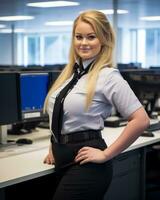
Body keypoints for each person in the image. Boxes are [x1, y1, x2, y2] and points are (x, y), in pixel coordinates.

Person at [43, 10, 150, 200]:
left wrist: (106, 154)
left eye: (91, 37)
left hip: (87, 164)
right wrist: (53, 145)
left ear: (103, 39)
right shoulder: (69, 74)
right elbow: (59, 114)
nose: (83, 43)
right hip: (61, 159)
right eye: (79, 37)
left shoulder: (108, 76)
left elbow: (140, 120)